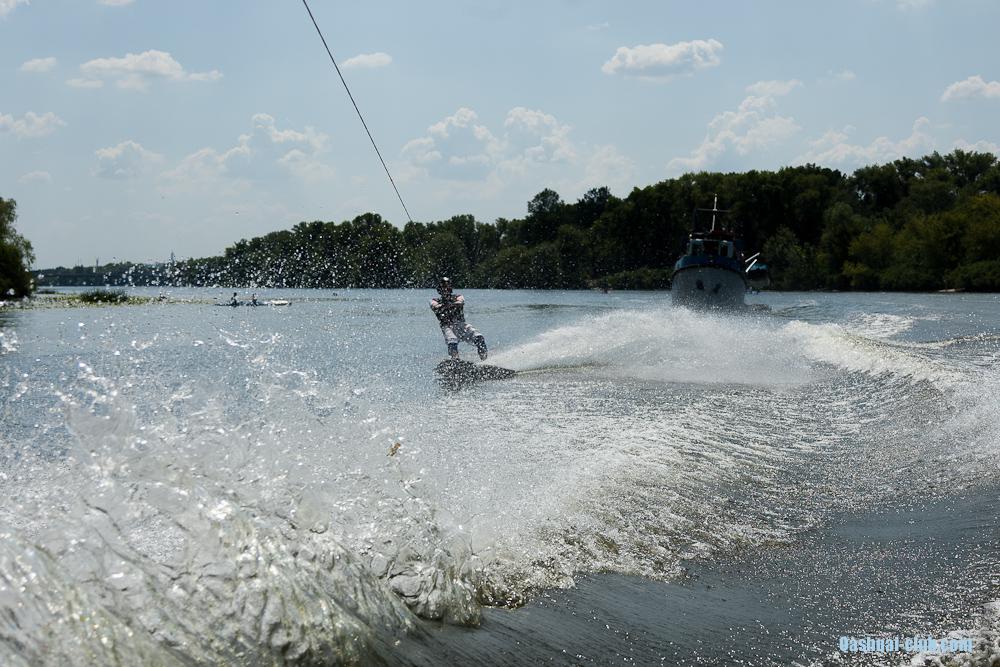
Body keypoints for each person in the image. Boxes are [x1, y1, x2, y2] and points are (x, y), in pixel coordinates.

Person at [430, 277, 487, 361]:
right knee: (452, 341)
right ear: (439, 289)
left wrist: (445, 305)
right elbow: (435, 306)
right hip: (447, 327)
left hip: (461, 325)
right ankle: (455, 361)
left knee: (479, 338)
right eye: (443, 287)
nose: (445, 289)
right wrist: (445, 305)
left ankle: (485, 360)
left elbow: (460, 303)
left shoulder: (459, 296)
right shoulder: (434, 300)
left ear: (450, 288)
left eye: (447, 287)